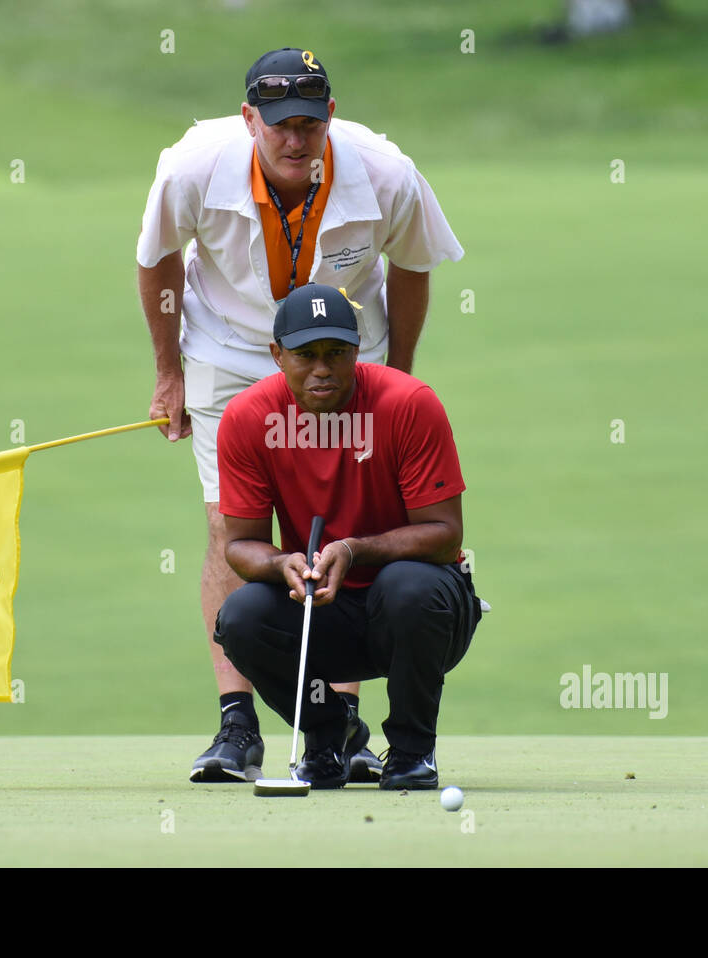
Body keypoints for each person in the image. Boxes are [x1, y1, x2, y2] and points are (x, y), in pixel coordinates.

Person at [136, 47, 464, 783]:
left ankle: (340, 724)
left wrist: (398, 377)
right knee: (229, 523)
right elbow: (157, 258)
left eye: (309, 124)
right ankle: (237, 725)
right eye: (279, 123)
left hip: (347, 351)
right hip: (230, 346)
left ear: (330, 120)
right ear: (248, 118)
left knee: (348, 515)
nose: (295, 140)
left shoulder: (385, 175)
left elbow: (414, 265)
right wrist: (167, 371)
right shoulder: (192, 167)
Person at [212, 284, 481, 789]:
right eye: (305, 355)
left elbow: (445, 536)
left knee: (407, 586)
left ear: (357, 352)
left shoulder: (408, 403)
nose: (322, 369)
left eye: (336, 353)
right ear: (277, 355)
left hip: (420, 613)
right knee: (242, 617)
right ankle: (327, 736)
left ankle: (410, 752)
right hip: (321, 611)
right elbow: (241, 543)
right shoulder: (248, 419)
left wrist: (354, 550)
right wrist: (281, 564)